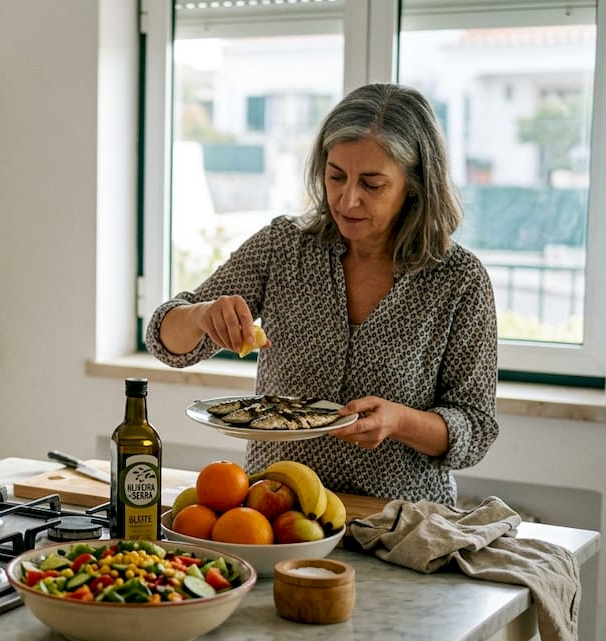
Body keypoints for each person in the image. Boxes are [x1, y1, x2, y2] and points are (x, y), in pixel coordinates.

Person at [146, 83, 498, 505]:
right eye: (336, 176)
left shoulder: (459, 280)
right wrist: (201, 315)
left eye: (373, 184)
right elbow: (165, 342)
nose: (348, 199)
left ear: (415, 184)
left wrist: (399, 422)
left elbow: (474, 428)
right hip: (272, 513)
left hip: (400, 524)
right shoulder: (283, 246)